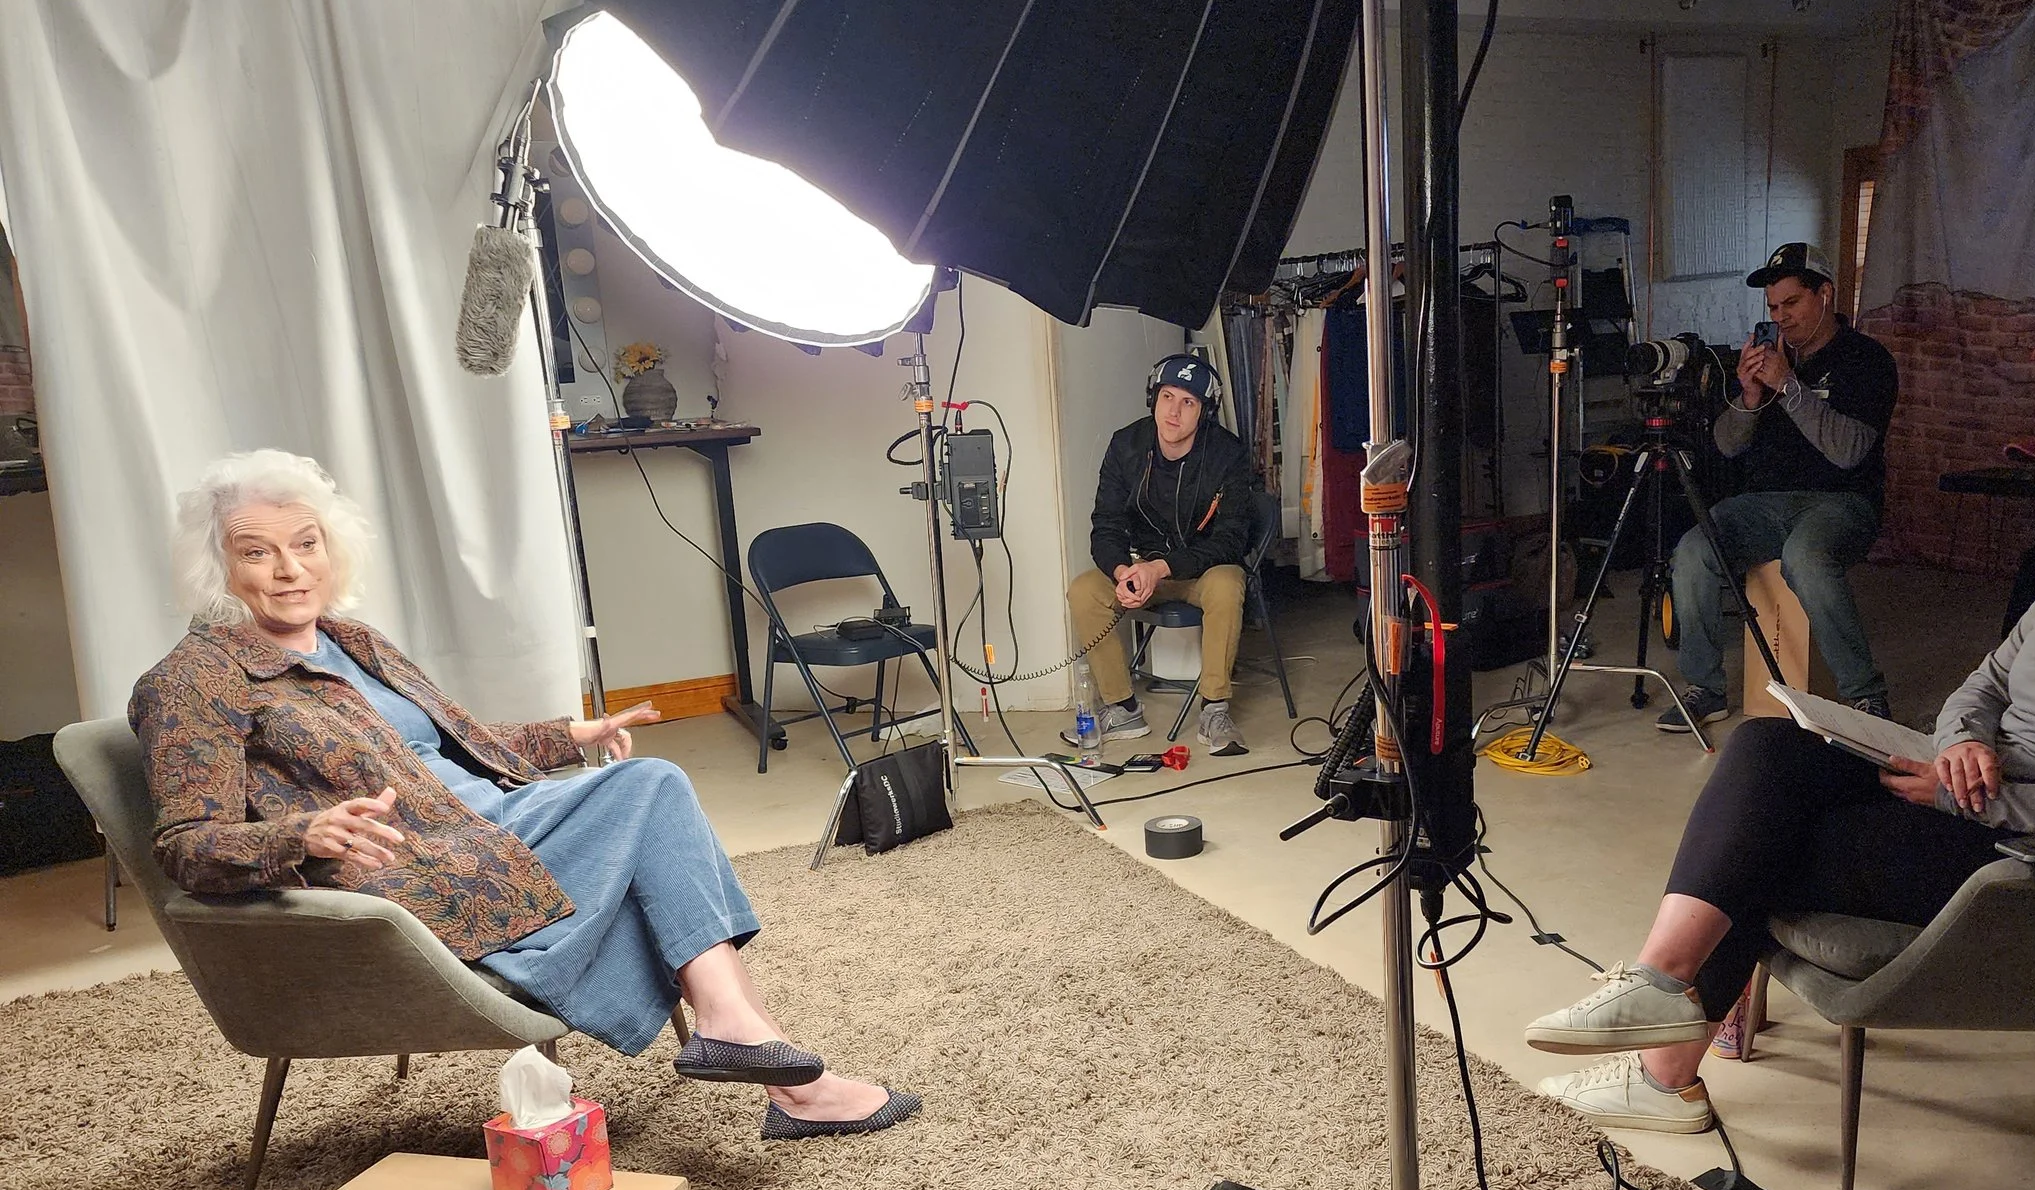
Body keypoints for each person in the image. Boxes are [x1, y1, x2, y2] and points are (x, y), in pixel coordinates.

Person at [1527, 387, 2035, 1137]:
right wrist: (1962, 740)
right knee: (1766, 745)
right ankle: (1660, 985)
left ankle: (1663, 1071)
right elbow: (1986, 681)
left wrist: (1971, 798)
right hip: (1969, 786)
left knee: (1769, 842)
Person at [130, 450, 919, 1142]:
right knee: (652, 790)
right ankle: (763, 1054)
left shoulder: (351, 640)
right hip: (431, 861)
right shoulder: (193, 679)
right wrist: (301, 834)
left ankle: (771, 1064)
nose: (289, 568)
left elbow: (456, 740)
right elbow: (184, 845)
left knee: (650, 815)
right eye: (257, 551)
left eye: (306, 543)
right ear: (216, 567)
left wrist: (571, 735)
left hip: (493, 820)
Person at [1667, 241, 1899, 729]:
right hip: (1763, 503)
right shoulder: (1768, 359)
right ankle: (1705, 688)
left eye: (1791, 303)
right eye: (1773, 307)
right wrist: (1750, 396)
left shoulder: (1866, 360)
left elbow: (1849, 450)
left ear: (1825, 294)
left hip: (1841, 502)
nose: (1781, 317)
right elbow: (1727, 446)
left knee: (1806, 557)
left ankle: (1864, 694)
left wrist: (1790, 387)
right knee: (1692, 550)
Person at [1067, 349, 1259, 756]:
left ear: (1204, 412)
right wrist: (1122, 570)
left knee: (1228, 584)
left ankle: (1214, 709)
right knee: (1084, 590)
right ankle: (1122, 708)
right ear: (1153, 398)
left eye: (1188, 402)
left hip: (1200, 571)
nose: (1174, 412)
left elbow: (1231, 540)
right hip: (1141, 567)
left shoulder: (1227, 453)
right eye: (1167, 396)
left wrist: (1163, 567)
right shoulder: (1126, 445)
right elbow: (1106, 524)